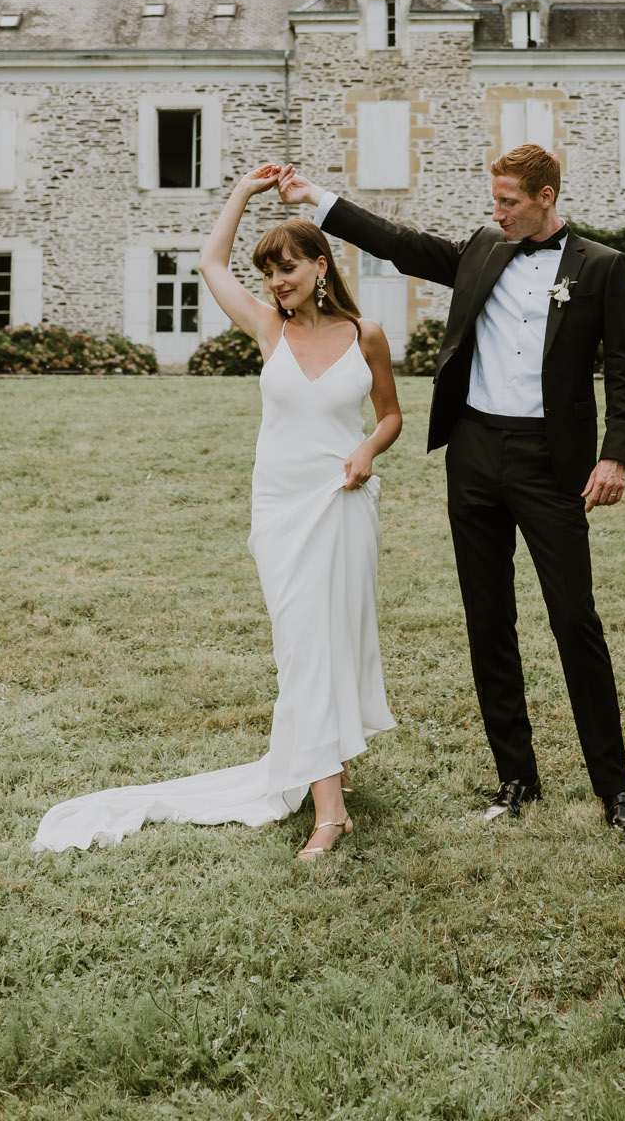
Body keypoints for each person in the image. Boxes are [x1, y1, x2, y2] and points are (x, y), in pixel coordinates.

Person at [274, 142, 625, 837]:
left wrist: (615, 457)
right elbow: (401, 245)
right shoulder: (482, 248)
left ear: (544, 196)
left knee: (575, 620)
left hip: (549, 462)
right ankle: (516, 777)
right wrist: (313, 198)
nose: (497, 211)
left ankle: (615, 790)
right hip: (473, 452)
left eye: (509, 201)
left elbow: (624, 374)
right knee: (487, 619)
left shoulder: (600, 268)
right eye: (495, 199)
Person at [31, 165, 401, 859]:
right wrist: (243, 193)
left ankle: (331, 784)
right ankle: (329, 809)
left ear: (321, 266)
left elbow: (390, 416)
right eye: (267, 274)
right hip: (282, 508)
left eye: (287, 269)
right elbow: (207, 262)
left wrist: (367, 451)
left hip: (344, 504)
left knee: (333, 641)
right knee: (302, 644)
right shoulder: (268, 329)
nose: (276, 284)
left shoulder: (366, 335)